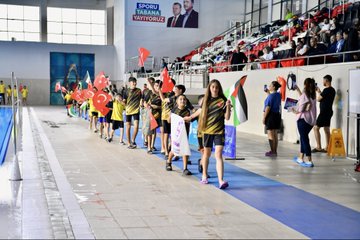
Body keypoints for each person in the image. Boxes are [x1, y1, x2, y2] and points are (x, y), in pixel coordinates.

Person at [184, 79, 231, 189]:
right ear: (210, 88)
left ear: (219, 89)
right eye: (213, 87)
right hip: (207, 131)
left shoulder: (223, 101)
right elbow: (199, 111)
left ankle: (221, 180)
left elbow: (227, 117)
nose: (215, 89)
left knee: (218, 154)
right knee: (206, 154)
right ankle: (204, 175)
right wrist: (190, 117)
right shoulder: (206, 100)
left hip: (219, 131)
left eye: (217, 87)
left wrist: (228, 106)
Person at [292, 78, 317, 167]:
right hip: (311, 121)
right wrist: (298, 90)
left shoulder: (305, 95)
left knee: (305, 140)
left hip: (303, 120)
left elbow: (301, 108)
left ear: (305, 85)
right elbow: (303, 98)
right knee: (303, 138)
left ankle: (309, 160)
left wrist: (293, 110)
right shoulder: (313, 95)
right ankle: (300, 157)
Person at [166, 95, 192, 175]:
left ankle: (185, 168)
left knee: (185, 149)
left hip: (184, 133)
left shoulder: (187, 111)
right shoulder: (174, 110)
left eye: (184, 99)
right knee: (174, 150)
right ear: (177, 102)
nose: (182, 101)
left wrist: (186, 120)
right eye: (180, 99)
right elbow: (169, 121)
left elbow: (189, 120)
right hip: (176, 134)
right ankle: (168, 161)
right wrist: (170, 117)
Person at [312, 75, 336, 153]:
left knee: (316, 128)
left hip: (324, 112)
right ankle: (327, 147)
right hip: (329, 111)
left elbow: (319, 99)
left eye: (323, 80)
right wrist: (319, 92)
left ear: (326, 81)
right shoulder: (332, 90)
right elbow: (325, 97)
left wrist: (318, 93)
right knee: (326, 129)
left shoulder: (326, 90)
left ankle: (319, 147)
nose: (323, 82)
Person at [263, 81, 282, 157]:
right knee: (275, 134)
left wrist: (264, 117)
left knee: (270, 134)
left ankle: (272, 151)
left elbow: (268, 107)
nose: (269, 87)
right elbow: (272, 99)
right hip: (277, 115)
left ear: (274, 87)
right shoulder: (278, 95)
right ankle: (275, 151)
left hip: (271, 116)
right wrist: (268, 93)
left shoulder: (271, 96)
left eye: (270, 85)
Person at [124, 77, 142, 149]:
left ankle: (133, 140)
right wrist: (120, 101)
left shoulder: (139, 90)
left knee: (136, 126)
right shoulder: (126, 91)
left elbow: (141, 99)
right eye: (133, 82)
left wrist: (141, 103)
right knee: (128, 127)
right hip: (128, 111)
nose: (135, 83)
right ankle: (128, 143)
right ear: (130, 83)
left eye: (135, 82)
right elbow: (124, 102)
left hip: (136, 110)